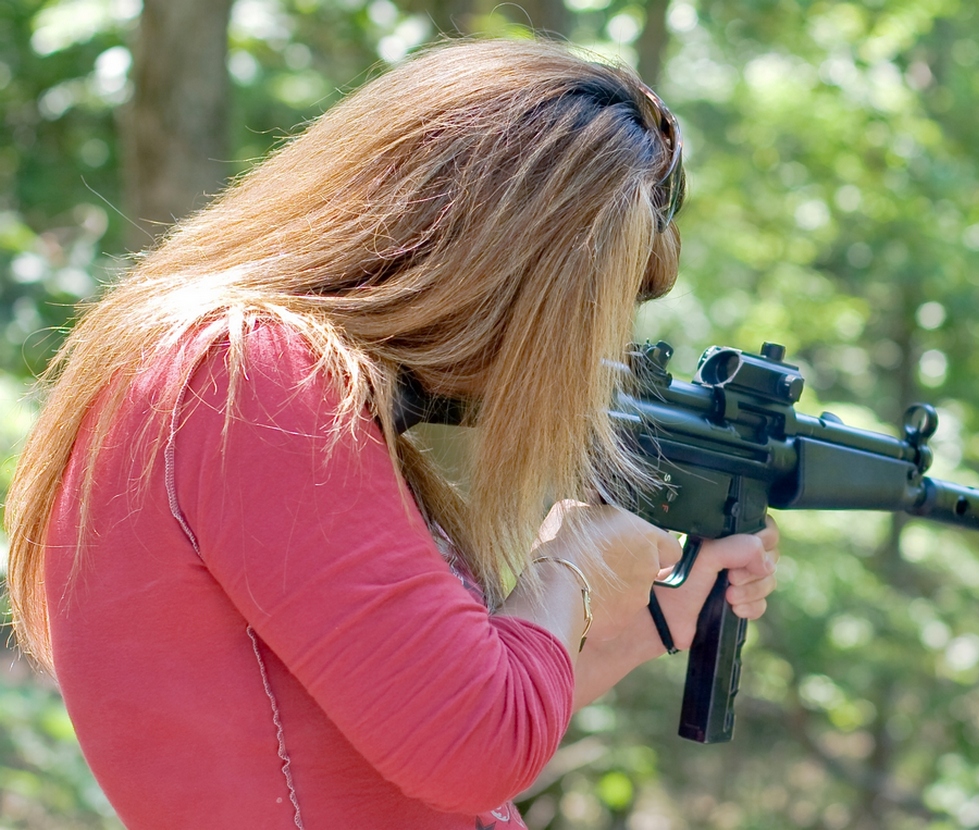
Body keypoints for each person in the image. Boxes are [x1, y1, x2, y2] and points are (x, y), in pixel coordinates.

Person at [4, 37, 779, 829]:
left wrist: (648, 616)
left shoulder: (250, 381)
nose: (578, 362)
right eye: (578, 317)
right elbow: (475, 746)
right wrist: (572, 565)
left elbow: (416, 737)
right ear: (491, 266)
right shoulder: (246, 377)